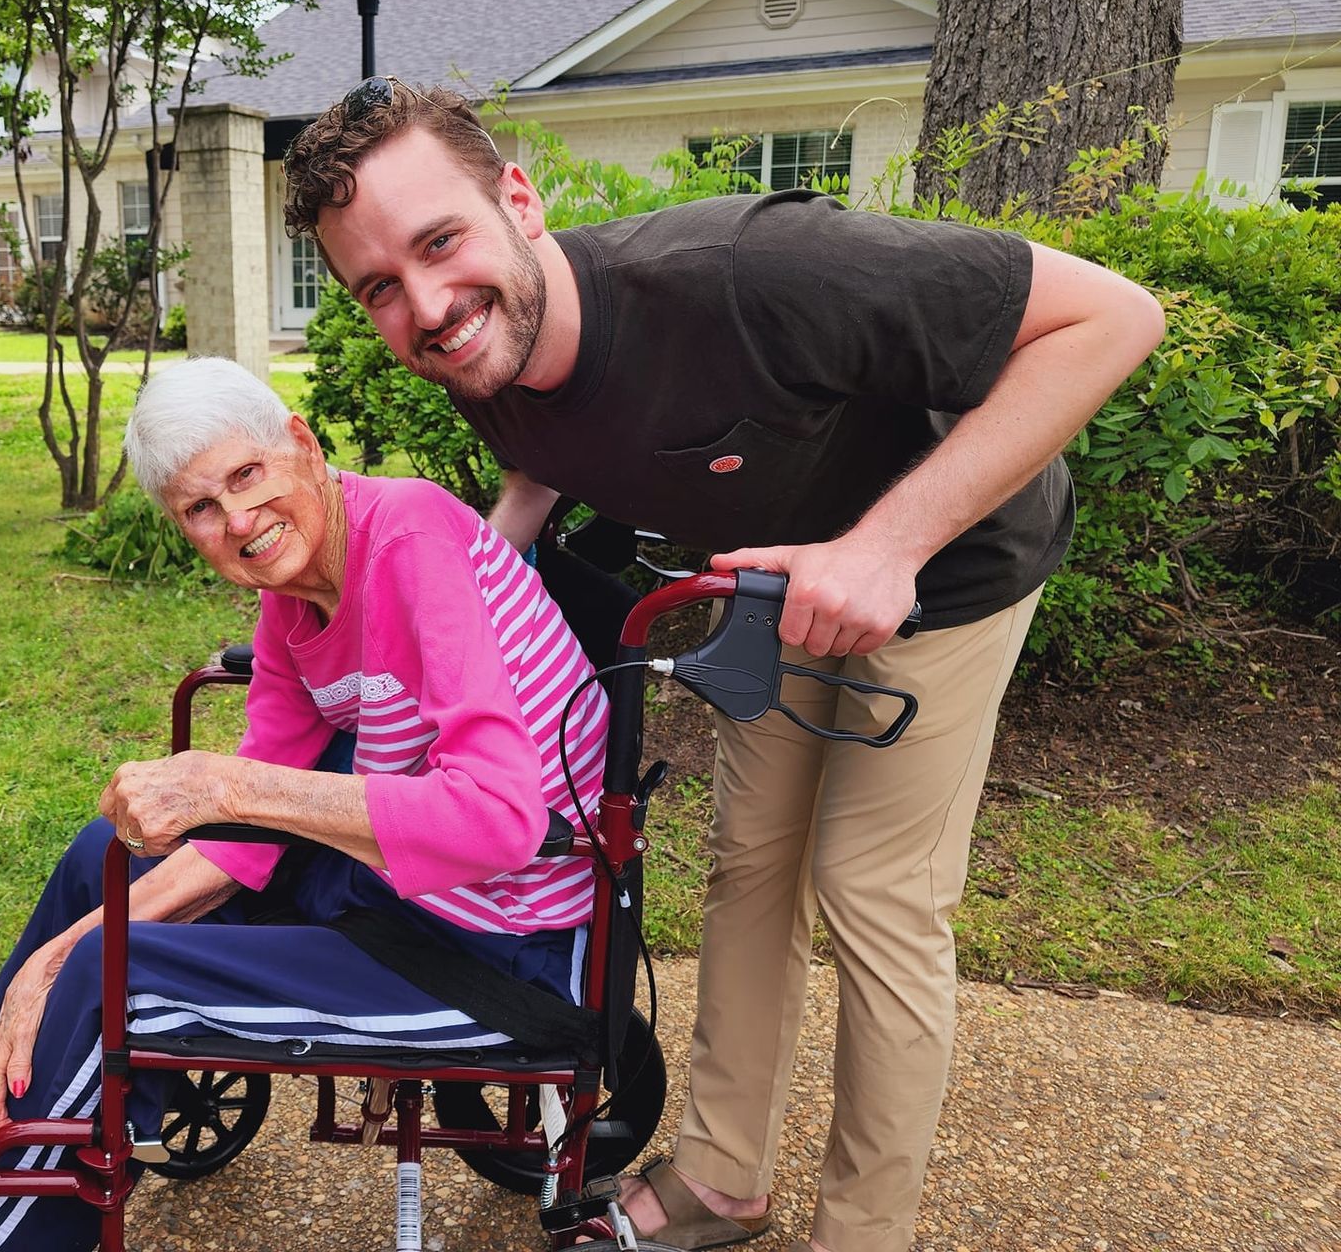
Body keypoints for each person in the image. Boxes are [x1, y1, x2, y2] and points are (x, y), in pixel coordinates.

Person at [281, 79, 1166, 1252]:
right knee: (751, 865)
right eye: (379, 286)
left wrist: (887, 547)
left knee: (873, 890)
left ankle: (866, 1231)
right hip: (775, 583)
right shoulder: (479, 353)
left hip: (947, 568)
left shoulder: (756, 275)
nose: (428, 306)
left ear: (519, 202)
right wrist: (487, 565)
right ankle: (720, 1179)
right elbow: (555, 447)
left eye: (440, 243)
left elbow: (1113, 318)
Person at [0, 356, 612, 1252]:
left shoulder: (405, 538)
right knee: (102, 862)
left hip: (494, 955)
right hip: (395, 899)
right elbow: (245, 852)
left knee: (119, 975)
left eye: (250, 474)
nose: (241, 520)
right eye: (202, 506)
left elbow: (499, 820)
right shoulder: (292, 602)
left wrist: (229, 788)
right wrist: (42, 964)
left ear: (304, 443)